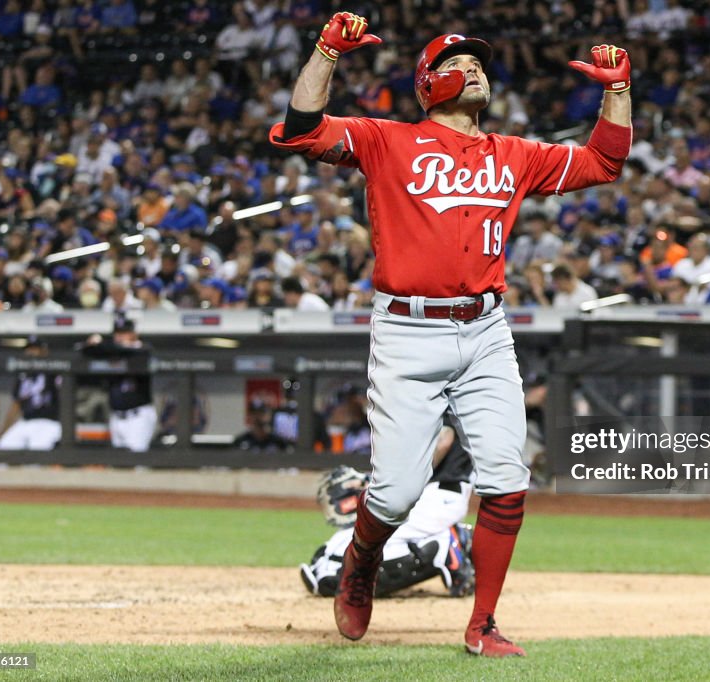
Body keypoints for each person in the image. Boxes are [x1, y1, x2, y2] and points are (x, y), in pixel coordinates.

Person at [269, 14, 633, 657]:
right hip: (408, 331)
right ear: (426, 85)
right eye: (455, 64)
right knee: (397, 490)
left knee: (507, 474)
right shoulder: (388, 141)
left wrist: (616, 92)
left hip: (486, 327)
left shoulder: (514, 154)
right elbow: (300, 131)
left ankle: (482, 622)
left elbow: (605, 161)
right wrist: (326, 52)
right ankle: (361, 561)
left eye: (478, 65)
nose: (472, 70)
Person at [301, 416, 475, 600]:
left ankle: (443, 546)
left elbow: (443, 441)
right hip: (435, 497)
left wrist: (402, 482)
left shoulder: (444, 390)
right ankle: (446, 542)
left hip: (437, 497)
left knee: (344, 557)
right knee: (334, 552)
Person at [80, 316, 156, 452]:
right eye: (117, 334)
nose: (120, 337)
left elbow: (132, 350)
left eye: (124, 333)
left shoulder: (142, 349)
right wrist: (95, 345)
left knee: (136, 462)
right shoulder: (112, 352)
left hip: (138, 417)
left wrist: (102, 344)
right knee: (118, 463)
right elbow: (86, 351)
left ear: (134, 334)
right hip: (116, 417)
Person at [0, 335, 62, 450]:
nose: (31, 352)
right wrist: (3, 430)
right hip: (26, 421)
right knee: (3, 449)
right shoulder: (23, 375)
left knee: (38, 452)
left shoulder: (55, 371)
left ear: (44, 351)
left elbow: (65, 399)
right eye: (29, 349)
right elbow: (16, 405)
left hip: (49, 422)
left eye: (35, 349)